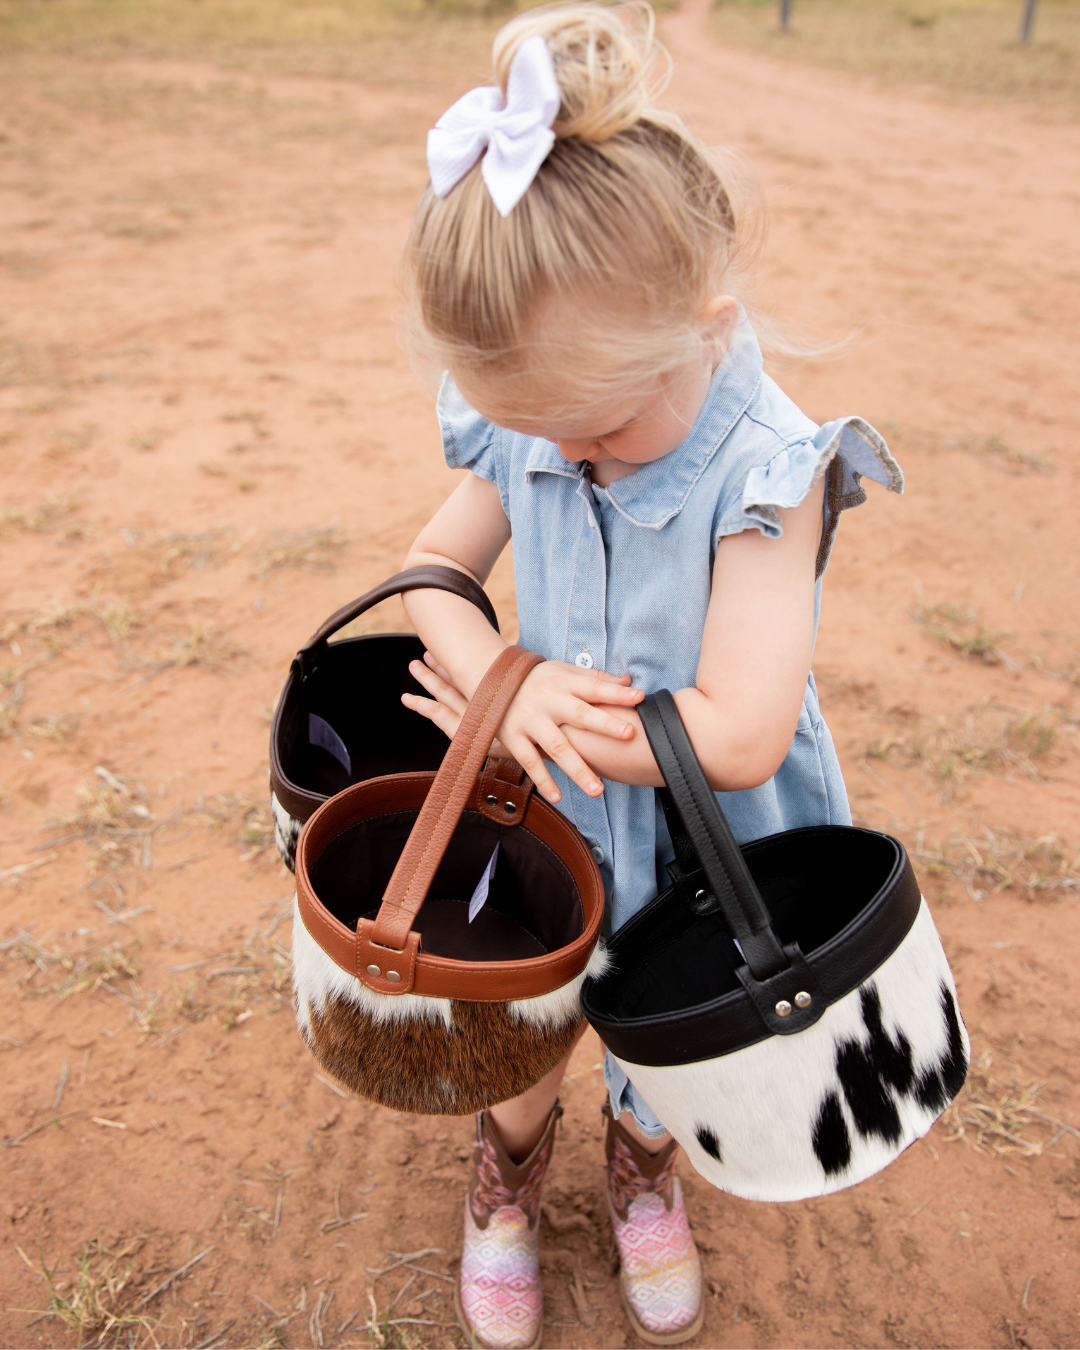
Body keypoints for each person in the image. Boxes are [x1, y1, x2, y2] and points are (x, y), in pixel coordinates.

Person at [397, 4, 902, 1345]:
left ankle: (645, 1158)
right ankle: (507, 1166)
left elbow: (735, 727)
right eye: (536, 433)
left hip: (705, 830)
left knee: (667, 1019)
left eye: (604, 429)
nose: (570, 459)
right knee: (524, 1005)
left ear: (706, 322)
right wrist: (496, 679)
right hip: (555, 800)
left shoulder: (772, 470)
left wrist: (533, 705)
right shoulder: (549, 419)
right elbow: (431, 574)